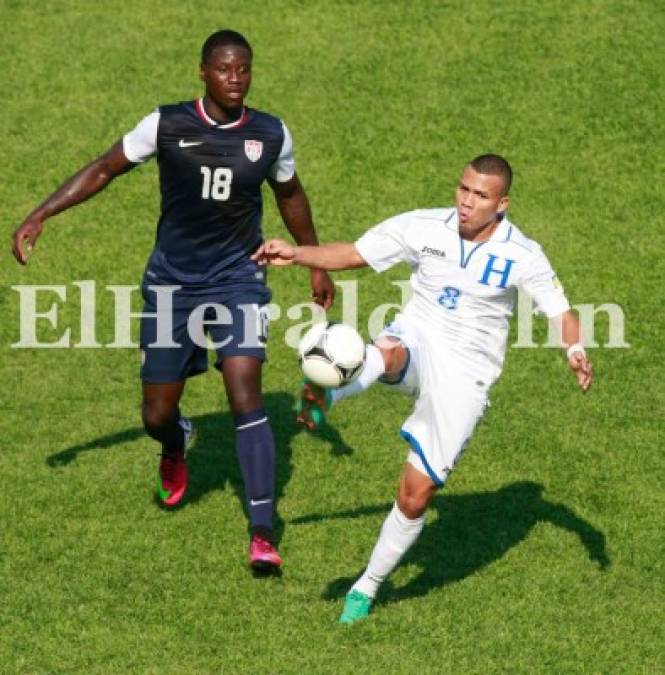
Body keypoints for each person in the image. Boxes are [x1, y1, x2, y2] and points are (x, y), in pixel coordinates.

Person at [11, 29, 334, 573]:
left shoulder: (271, 134)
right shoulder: (165, 124)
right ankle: (176, 441)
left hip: (238, 279)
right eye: (225, 70)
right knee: (156, 412)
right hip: (172, 284)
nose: (236, 79)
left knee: (244, 391)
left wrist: (315, 259)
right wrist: (41, 213)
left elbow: (290, 194)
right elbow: (103, 168)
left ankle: (262, 532)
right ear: (203, 72)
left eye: (245, 70)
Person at [252, 153, 593, 619]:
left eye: (481, 196)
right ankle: (331, 389)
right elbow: (354, 254)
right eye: (464, 189)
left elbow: (561, 312)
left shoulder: (524, 255)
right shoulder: (424, 226)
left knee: (416, 495)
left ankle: (366, 586)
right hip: (418, 337)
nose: (467, 202)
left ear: (503, 204)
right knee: (389, 350)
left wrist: (574, 351)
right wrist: (297, 254)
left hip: (466, 373)